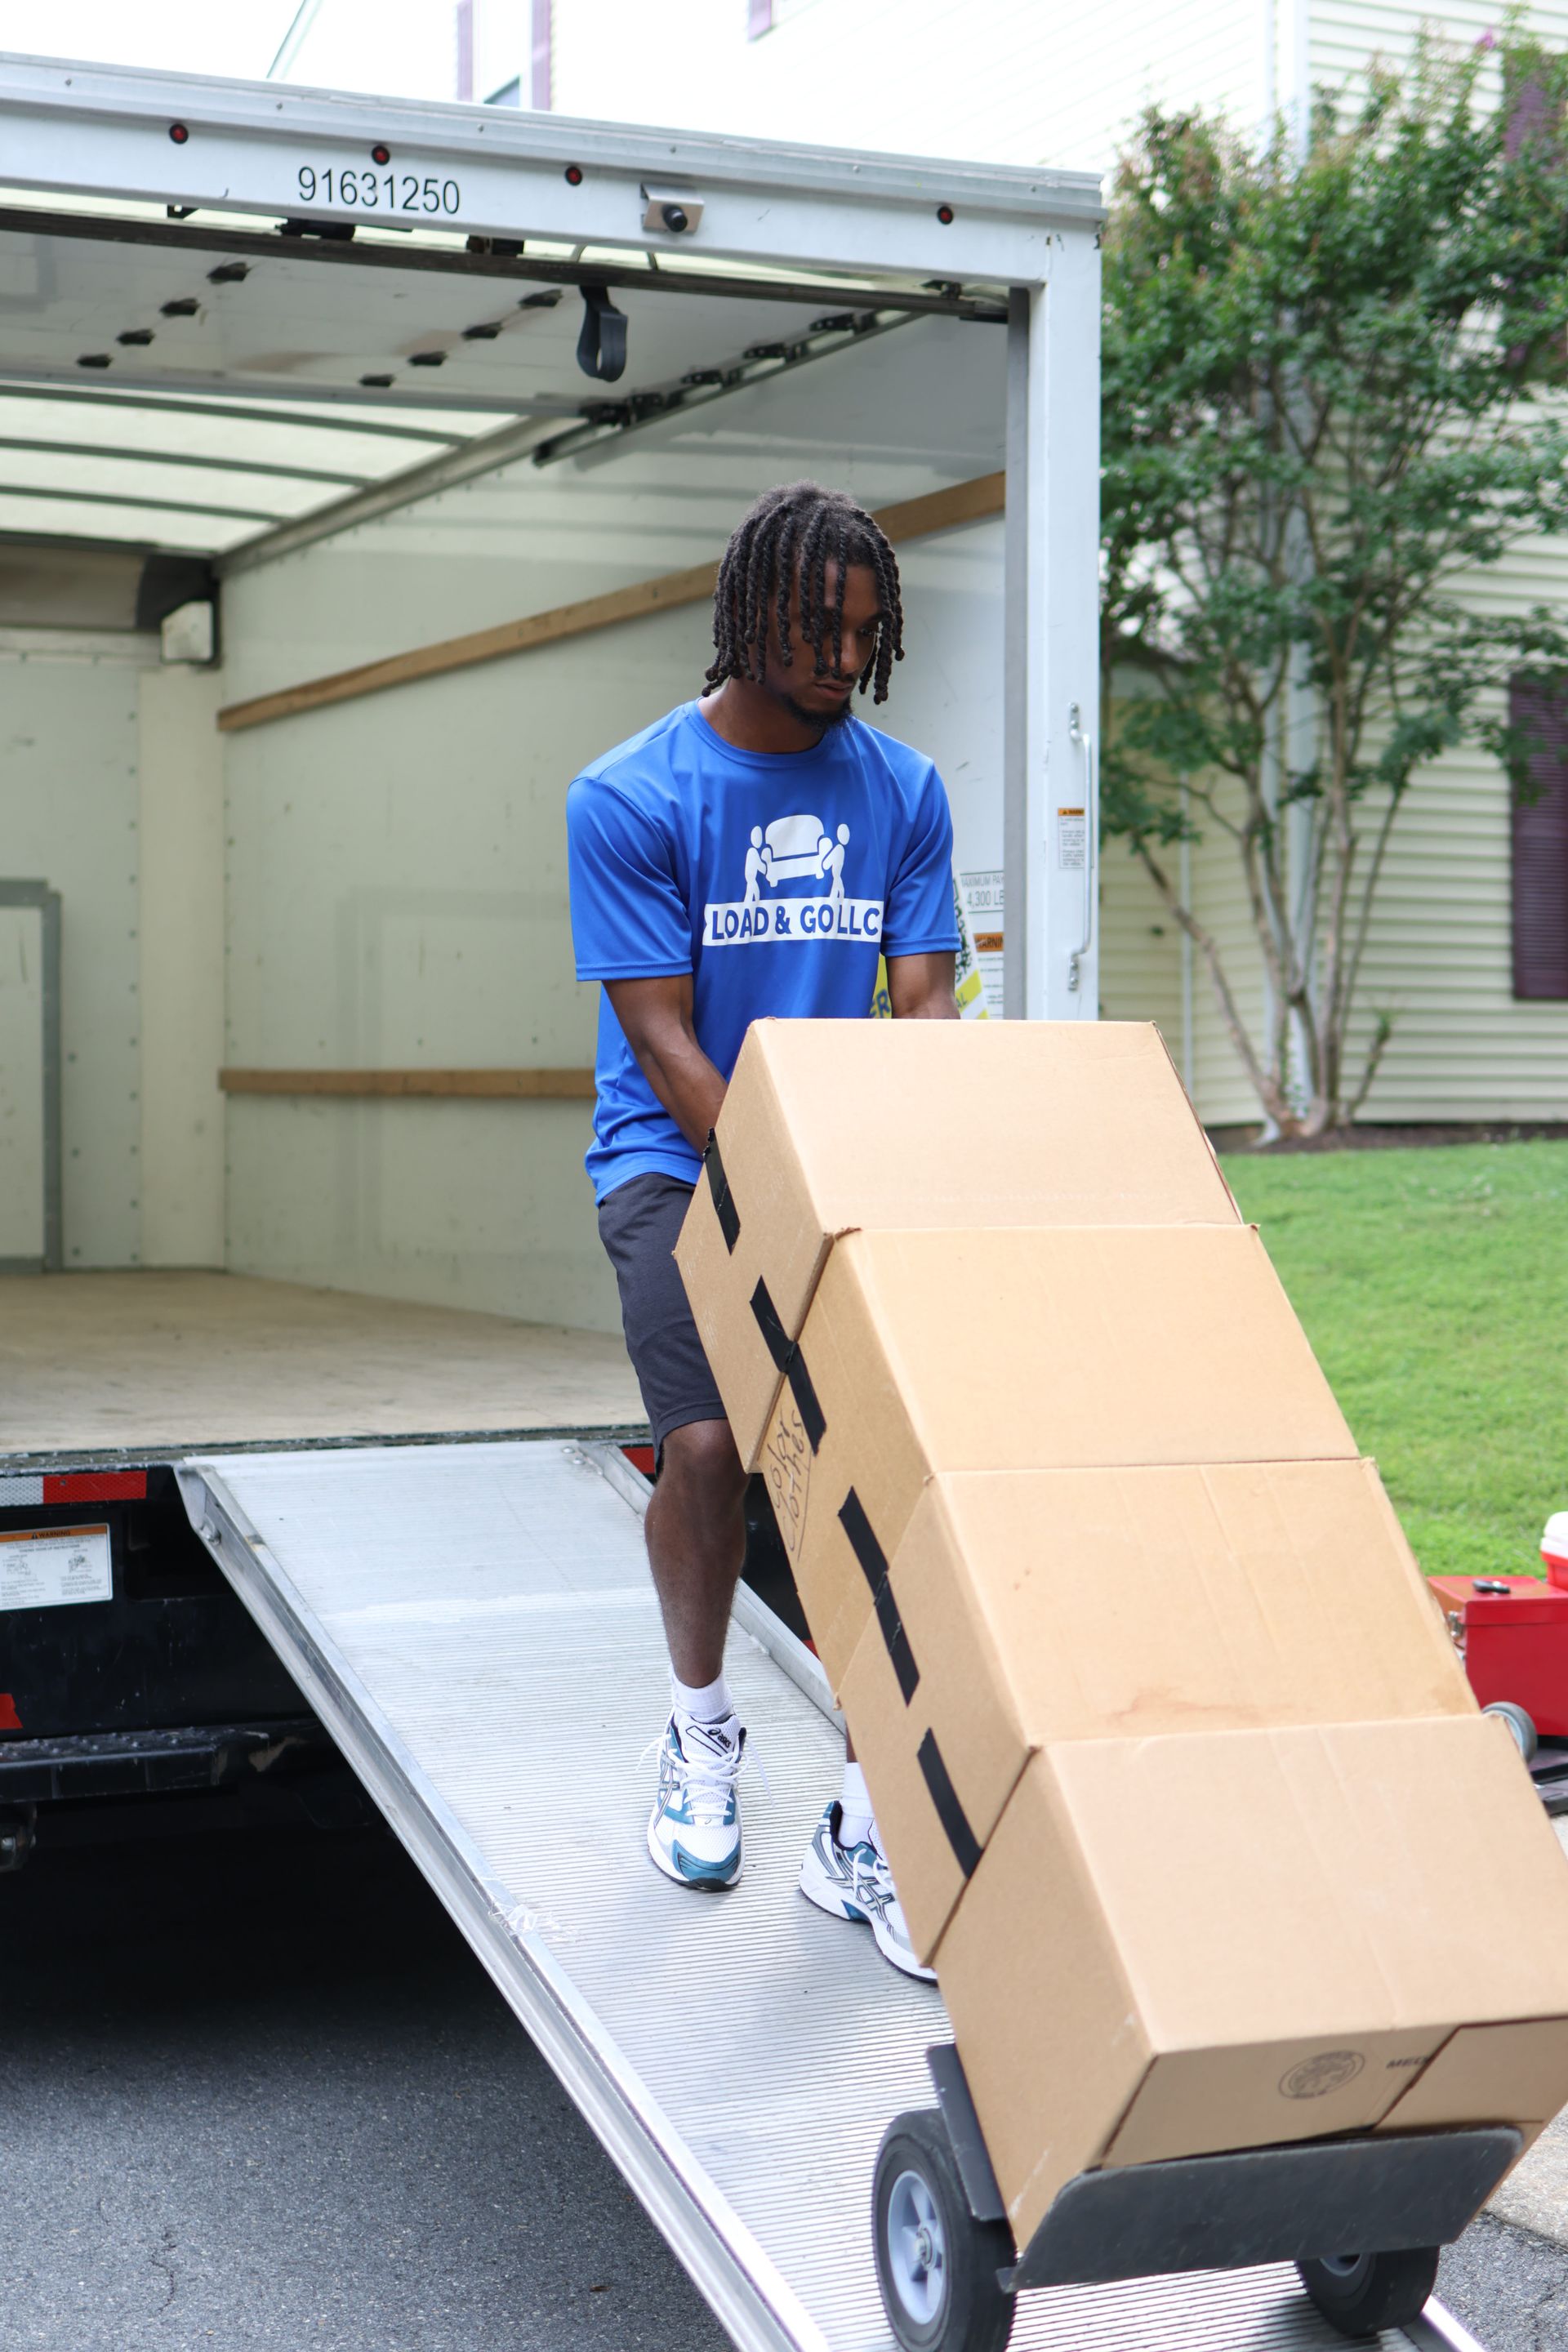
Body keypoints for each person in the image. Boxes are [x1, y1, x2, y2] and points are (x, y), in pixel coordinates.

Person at [564, 480, 959, 1980]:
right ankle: (701, 1725)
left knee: (867, 1482)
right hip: (673, 1158)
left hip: (847, 1165)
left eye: (867, 633)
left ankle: (863, 1820)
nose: (845, 658)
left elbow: (920, 1008)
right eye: (820, 626)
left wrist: (894, 1184)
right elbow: (662, 1038)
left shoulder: (903, 791)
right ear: (751, 611)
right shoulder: (633, 796)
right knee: (717, 1446)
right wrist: (777, 1194)